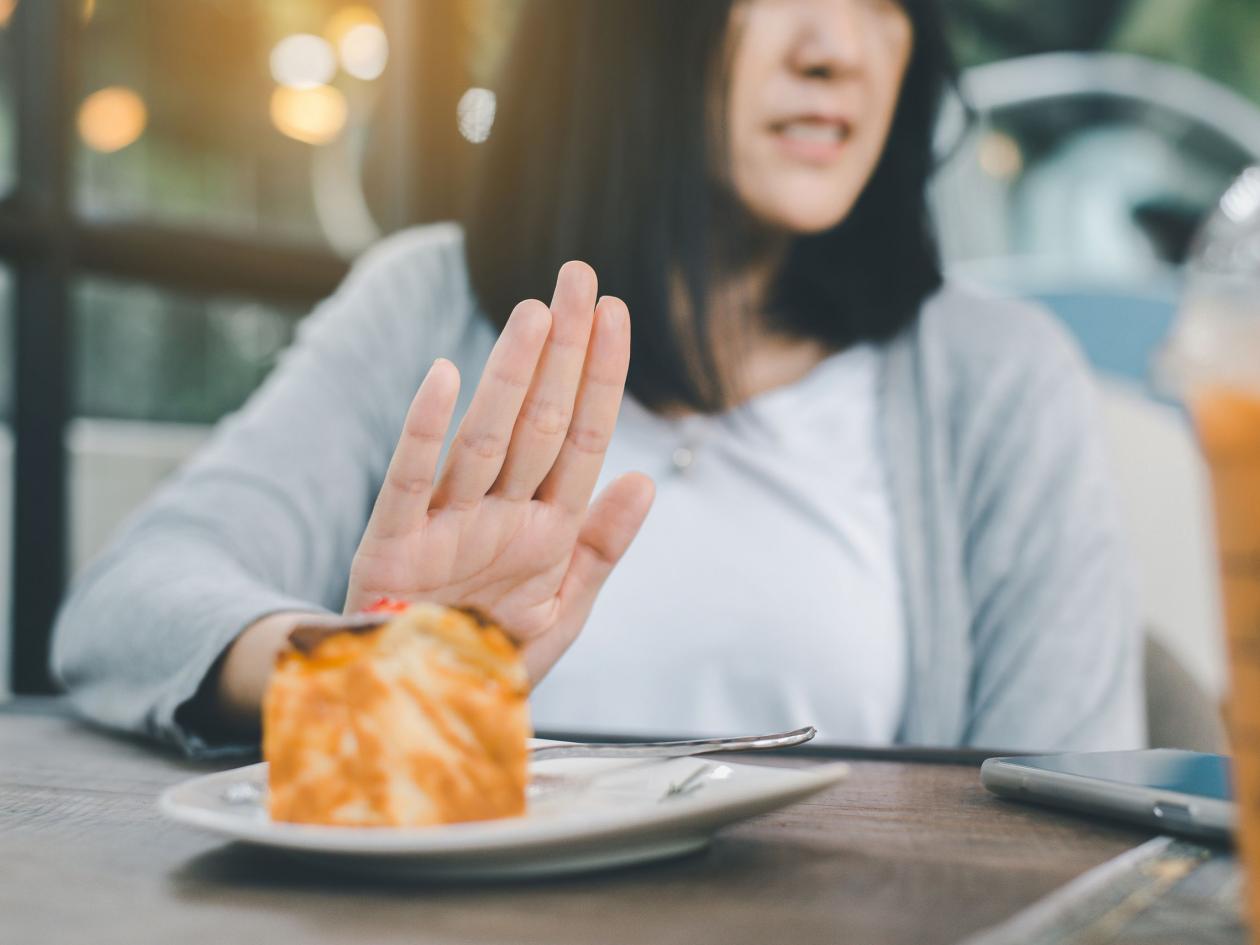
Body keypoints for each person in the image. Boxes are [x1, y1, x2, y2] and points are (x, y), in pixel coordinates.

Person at [51, 0, 1144, 756]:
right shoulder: (427, 302)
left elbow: (1067, 828)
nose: (839, 49)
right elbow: (125, 605)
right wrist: (365, 675)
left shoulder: (997, 377)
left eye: (884, 1)